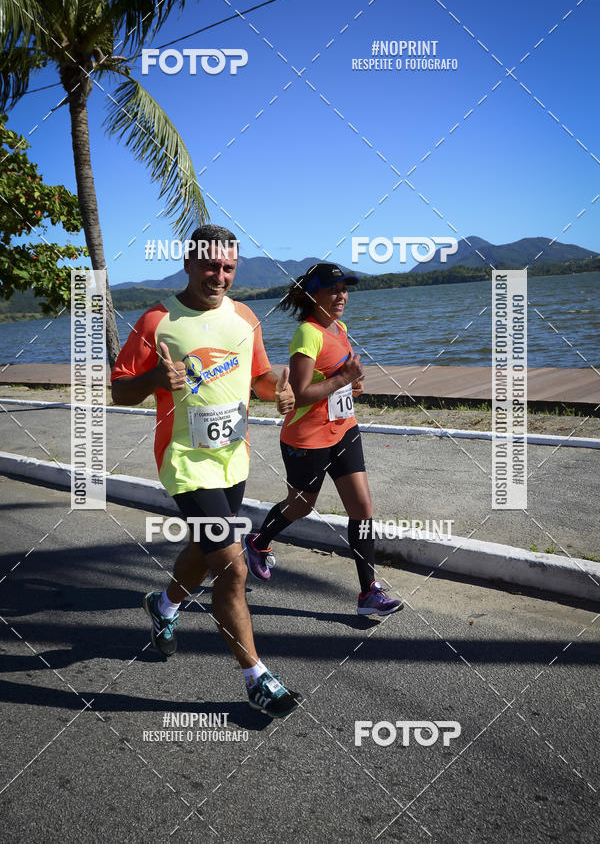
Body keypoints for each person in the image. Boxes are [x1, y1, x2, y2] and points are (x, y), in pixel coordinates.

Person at [111, 224, 303, 718]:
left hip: (232, 460)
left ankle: (164, 605)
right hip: (185, 462)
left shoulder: (243, 317)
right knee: (233, 567)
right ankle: (256, 677)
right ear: (189, 263)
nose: (219, 276)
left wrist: (278, 393)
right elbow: (121, 391)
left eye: (229, 268)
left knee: (204, 548)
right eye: (211, 266)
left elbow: (259, 379)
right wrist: (155, 376)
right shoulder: (156, 320)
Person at [243, 262, 402, 617]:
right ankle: (258, 541)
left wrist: (353, 384)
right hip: (306, 438)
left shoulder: (340, 328)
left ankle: (368, 594)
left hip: (344, 429)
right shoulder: (307, 333)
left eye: (345, 289)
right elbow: (298, 394)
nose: (342, 295)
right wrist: (342, 378)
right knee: (300, 506)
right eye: (334, 289)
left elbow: (338, 383)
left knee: (362, 508)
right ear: (313, 294)